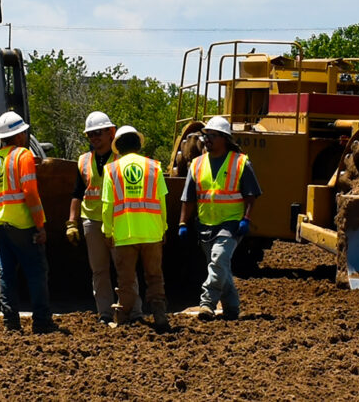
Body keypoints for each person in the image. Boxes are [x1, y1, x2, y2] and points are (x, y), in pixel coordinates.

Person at [178, 115, 261, 321]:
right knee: (220, 266)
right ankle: (232, 310)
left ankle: (207, 303)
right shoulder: (196, 164)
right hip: (205, 225)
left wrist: (246, 219)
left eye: (212, 136)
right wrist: (182, 222)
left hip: (231, 224)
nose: (207, 140)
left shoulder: (241, 162)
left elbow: (251, 194)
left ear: (224, 138)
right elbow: (188, 198)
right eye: (205, 135)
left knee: (217, 261)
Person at [0, 111, 56, 334]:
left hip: (0, 222)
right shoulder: (23, 156)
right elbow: (30, 193)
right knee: (36, 271)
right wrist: (40, 225)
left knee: (6, 272)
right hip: (23, 224)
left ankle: (10, 322)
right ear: (20, 135)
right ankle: (41, 322)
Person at [66, 111, 142, 323]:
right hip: (92, 220)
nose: (94, 138)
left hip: (118, 221)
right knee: (99, 271)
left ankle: (133, 312)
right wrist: (72, 222)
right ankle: (105, 313)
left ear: (111, 133)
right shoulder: (83, 161)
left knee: (125, 269)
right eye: (90, 135)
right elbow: (77, 193)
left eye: (98, 133)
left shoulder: (121, 159)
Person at [101, 125, 170, 332]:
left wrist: (107, 232)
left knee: (126, 281)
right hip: (152, 233)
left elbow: (107, 205)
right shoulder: (154, 167)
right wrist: (163, 228)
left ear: (118, 147)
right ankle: (160, 316)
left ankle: (121, 318)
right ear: (139, 145)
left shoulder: (111, 170)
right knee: (155, 277)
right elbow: (162, 201)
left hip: (124, 234)